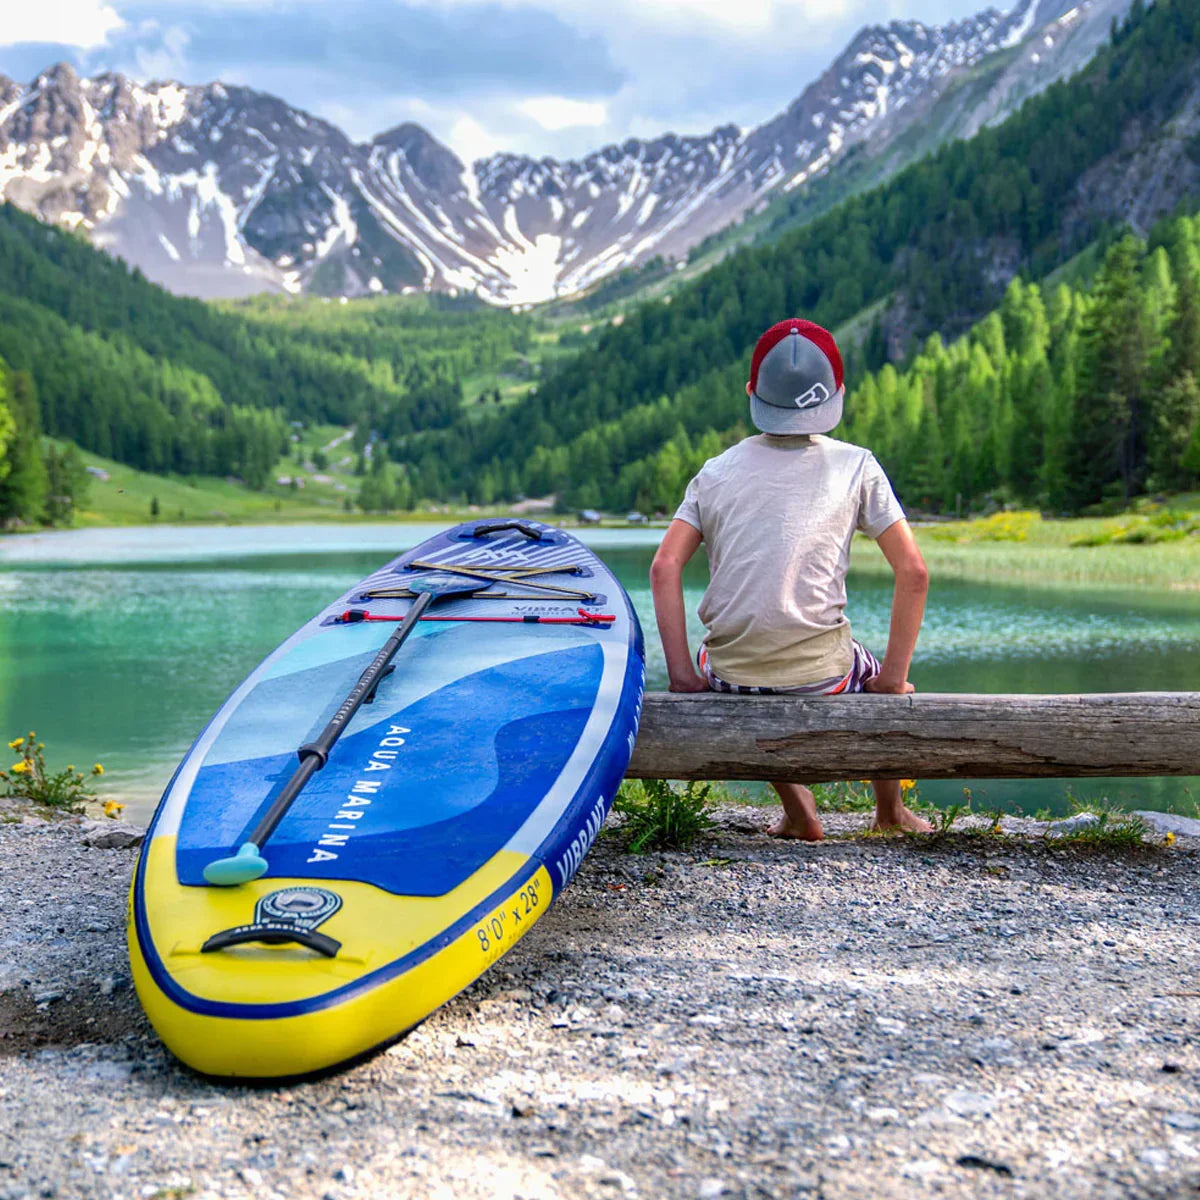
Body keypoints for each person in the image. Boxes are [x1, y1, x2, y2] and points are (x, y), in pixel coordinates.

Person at [649, 317, 932, 841]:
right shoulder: (857, 465)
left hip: (729, 674)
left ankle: (802, 816)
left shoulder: (714, 472)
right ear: (836, 393)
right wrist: (890, 681)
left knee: (753, 653)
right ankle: (890, 813)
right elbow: (914, 572)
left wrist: (685, 675)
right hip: (823, 672)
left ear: (752, 391)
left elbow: (665, 567)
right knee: (870, 668)